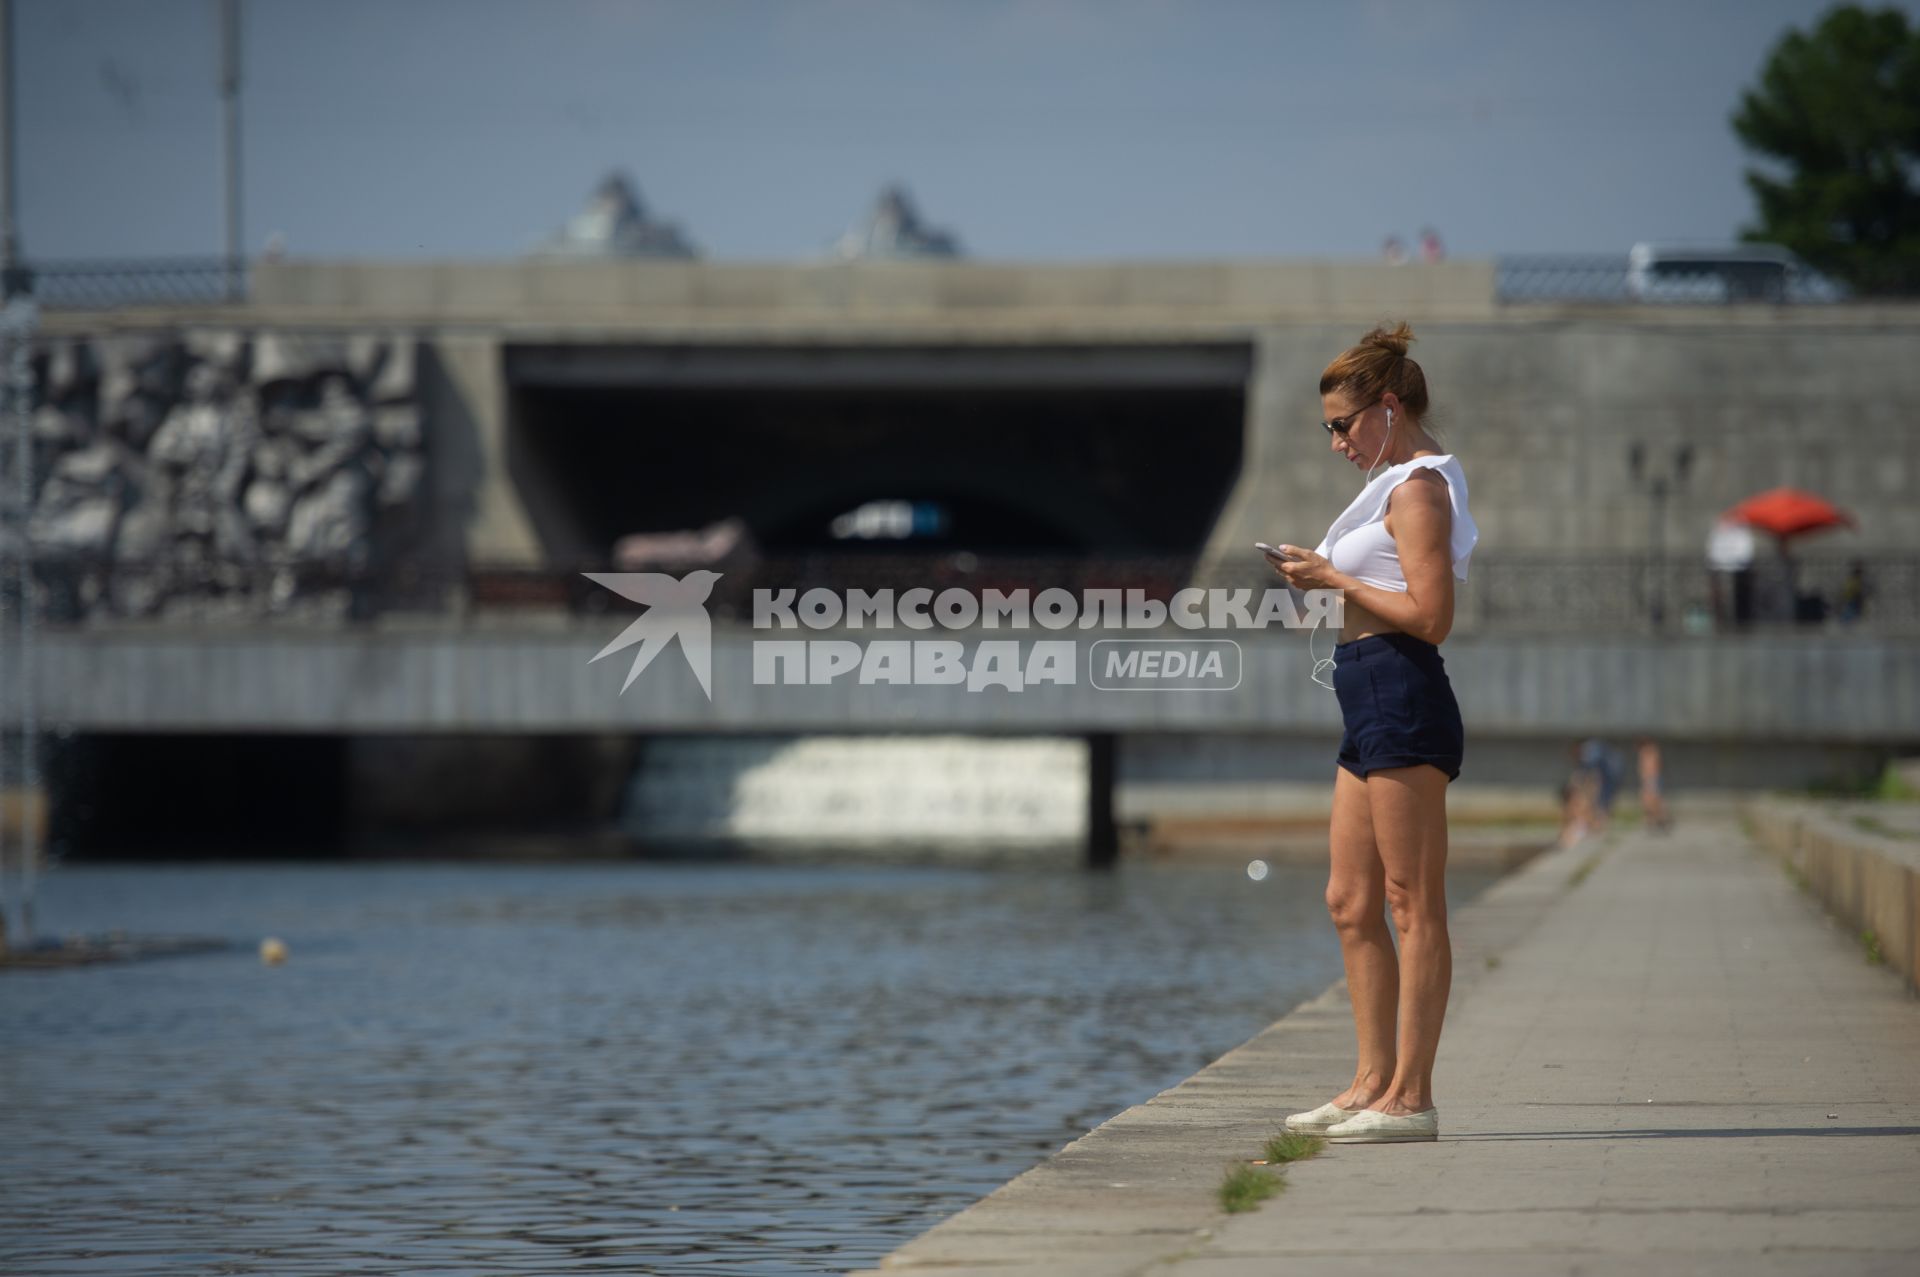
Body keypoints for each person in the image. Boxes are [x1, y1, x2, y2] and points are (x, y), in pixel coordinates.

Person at [1263, 322, 1478, 1145]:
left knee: (1410, 900)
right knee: (1350, 899)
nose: (1336, 442)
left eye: (1344, 424)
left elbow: (1432, 617)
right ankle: (1367, 1081)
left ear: (1388, 406)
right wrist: (1313, 585)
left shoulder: (1418, 489)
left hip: (1401, 686)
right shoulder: (1387, 485)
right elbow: (1372, 590)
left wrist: (1332, 578)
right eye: (1327, 428)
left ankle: (1411, 1097)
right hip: (1365, 690)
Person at [1637, 737, 1671, 832]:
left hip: (1651, 778)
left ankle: (1659, 820)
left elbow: (1653, 766)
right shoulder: (1647, 751)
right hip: (1649, 778)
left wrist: (1649, 778)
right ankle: (1654, 821)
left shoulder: (1650, 751)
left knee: (1653, 800)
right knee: (1649, 800)